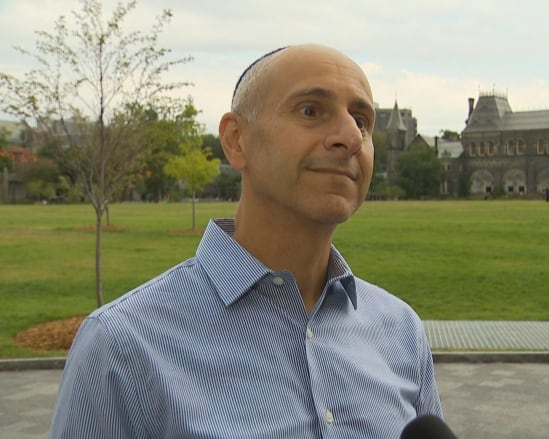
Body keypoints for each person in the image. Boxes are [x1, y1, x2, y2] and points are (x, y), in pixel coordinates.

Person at [50, 44, 443, 438]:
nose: (350, 137)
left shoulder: (401, 333)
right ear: (237, 140)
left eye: (361, 120)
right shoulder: (123, 347)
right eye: (310, 111)